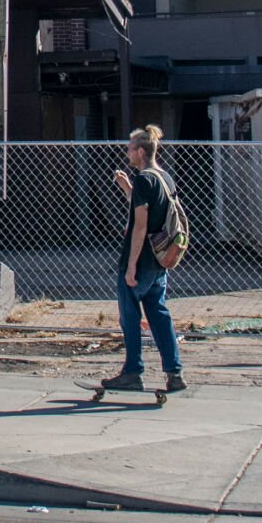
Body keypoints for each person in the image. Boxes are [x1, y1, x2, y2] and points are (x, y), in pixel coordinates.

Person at [102, 124, 186, 393]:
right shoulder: (163, 178)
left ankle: (133, 372)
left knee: (129, 315)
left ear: (140, 151)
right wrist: (127, 190)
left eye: (129, 149)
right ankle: (174, 373)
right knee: (159, 314)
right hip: (161, 261)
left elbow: (140, 226)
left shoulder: (143, 180)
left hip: (141, 261)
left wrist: (130, 266)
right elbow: (153, 214)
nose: (127, 153)